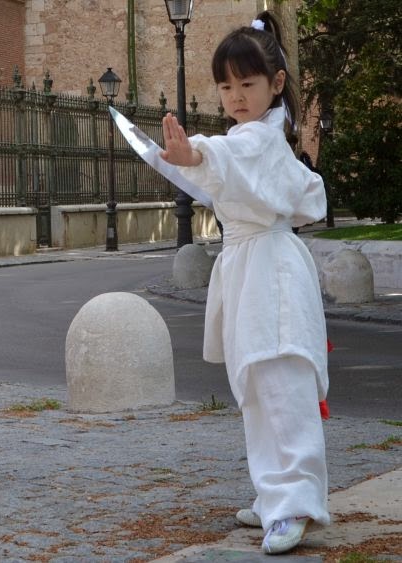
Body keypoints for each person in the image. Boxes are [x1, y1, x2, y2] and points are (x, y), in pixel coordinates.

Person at [159, 12, 329, 556]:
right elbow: (289, 187)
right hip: (251, 266)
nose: (235, 95)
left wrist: (196, 154)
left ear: (275, 84)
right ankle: (273, 493)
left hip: (270, 272)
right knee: (258, 389)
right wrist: (202, 157)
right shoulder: (255, 138)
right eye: (226, 85)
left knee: (281, 384)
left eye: (247, 83)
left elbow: (234, 156)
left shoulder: (257, 140)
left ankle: (294, 503)